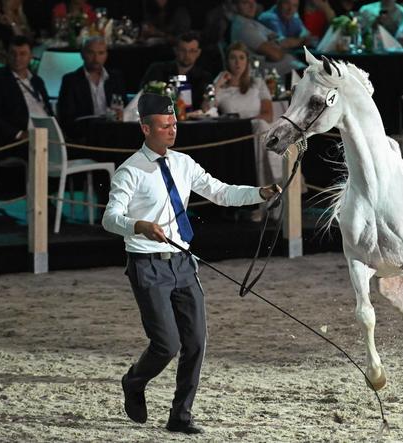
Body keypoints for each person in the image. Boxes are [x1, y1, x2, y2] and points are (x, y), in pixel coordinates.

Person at [102, 92, 281, 435]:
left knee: (196, 341)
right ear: (145, 128)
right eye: (164, 125)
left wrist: (258, 193)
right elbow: (110, 218)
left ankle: (180, 416)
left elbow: (221, 192)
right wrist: (138, 225)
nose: (172, 130)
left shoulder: (183, 163)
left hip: (183, 262)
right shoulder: (130, 172)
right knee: (166, 344)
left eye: (174, 124)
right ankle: (134, 381)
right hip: (147, 264)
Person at [209, 41, 279, 187]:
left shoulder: (258, 83)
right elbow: (206, 110)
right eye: (233, 58)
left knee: (261, 125)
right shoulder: (222, 88)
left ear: (247, 61)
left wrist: (247, 123)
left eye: (241, 58)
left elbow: (268, 115)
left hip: (258, 132)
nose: (237, 62)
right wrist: (217, 84)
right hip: (234, 134)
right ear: (227, 61)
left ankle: (274, 183)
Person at [57, 36, 126, 139]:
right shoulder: (71, 80)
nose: (96, 58)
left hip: (113, 130)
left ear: (106, 55)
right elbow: (66, 116)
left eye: (101, 53)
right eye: (91, 53)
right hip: (85, 133)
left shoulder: (115, 78)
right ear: (82, 54)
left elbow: (124, 105)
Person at [0, 35, 52, 147]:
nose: (17, 58)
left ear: (31, 56)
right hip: (20, 140)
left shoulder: (37, 81)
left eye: (22, 54)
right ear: (7, 55)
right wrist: (19, 134)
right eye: (13, 53)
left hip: (47, 136)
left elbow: (48, 109)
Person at [140, 31, 212, 112]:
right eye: (183, 50)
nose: (187, 55)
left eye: (192, 51)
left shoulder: (204, 77)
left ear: (198, 53)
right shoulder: (157, 69)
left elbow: (206, 106)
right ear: (175, 50)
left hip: (193, 122)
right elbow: (145, 96)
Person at [230, 0, 305, 76]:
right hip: (277, 77)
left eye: (254, 2)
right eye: (245, 3)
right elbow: (276, 55)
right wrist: (282, 46)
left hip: (294, 69)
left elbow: (282, 40)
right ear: (235, 6)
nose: (252, 6)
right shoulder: (244, 28)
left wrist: (278, 44)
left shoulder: (252, 23)